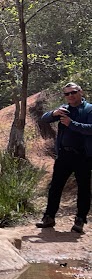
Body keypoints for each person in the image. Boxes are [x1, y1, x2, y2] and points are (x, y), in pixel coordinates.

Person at [36, 82, 92, 234]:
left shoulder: (89, 109)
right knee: (55, 187)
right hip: (64, 155)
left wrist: (71, 124)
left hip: (83, 156)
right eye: (67, 94)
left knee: (84, 189)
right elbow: (44, 118)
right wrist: (54, 113)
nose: (70, 96)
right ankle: (49, 217)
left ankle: (80, 220)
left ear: (80, 92)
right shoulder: (64, 109)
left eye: (73, 92)